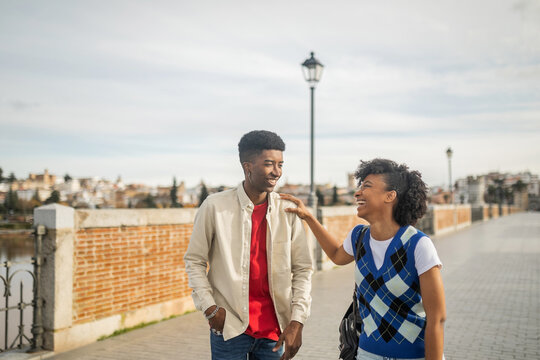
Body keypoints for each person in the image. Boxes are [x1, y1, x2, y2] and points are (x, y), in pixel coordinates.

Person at [280, 158, 446, 360]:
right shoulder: (359, 237)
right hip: (366, 354)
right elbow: (336, 255)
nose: (357, 192)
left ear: (390, 196)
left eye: (366, 186)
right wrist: (309, 217)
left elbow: (437, 319)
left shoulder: (418, 245)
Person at [184, 130, 313, 360]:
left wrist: (297, 320)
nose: (277, 172)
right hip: (230, 327)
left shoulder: (288, 211)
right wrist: (209, 308)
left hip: (274, 331)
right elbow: (194, 260)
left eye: (280, 164)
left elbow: (303, 269)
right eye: (269, 164)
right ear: (248, 166)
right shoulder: (214, 206)